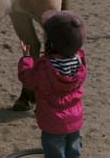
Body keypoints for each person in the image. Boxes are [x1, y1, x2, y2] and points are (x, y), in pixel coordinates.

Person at [18, 10, 88, 158]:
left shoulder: (45, 68)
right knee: (73, 150)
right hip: (74, 120)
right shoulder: (80, 64)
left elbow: (27, 79)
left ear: (51, 43)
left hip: (52, 124)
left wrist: (27, 59)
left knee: (55, 153)